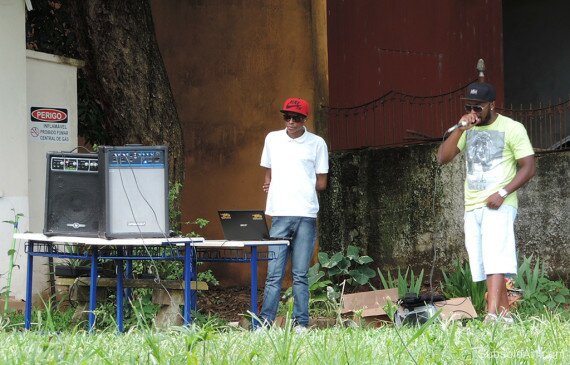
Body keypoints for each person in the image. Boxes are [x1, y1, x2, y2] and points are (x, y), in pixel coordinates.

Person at [437, 82, 536, 322]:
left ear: (492, 104)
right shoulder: (468, 129)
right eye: (469, 106)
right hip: (472, 206)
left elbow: (529, 167)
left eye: (478, 107)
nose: (474, 111)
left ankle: (490, 315)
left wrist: (502, 193)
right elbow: (442, 157)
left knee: (495, 257)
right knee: (483, 261)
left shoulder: (512, 128)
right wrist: (460, 129)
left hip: (499, 203)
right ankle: (504, 315)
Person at [258, 97, 329, 331]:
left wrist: (296, 184)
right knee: (273, 274)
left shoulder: (317, 143)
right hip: (279, 212)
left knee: (300, 274)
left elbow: (322, 182)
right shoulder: (272, 139)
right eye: (287, 116)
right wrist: (272, 184)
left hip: (305, 214)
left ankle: (301, 324)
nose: (290, 121)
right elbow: (268, 172)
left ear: (304, 119)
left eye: (296, 118)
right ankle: (265, 323)